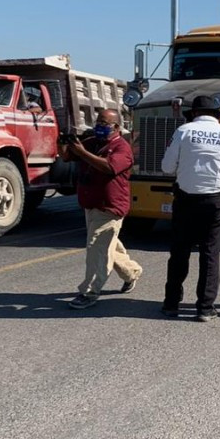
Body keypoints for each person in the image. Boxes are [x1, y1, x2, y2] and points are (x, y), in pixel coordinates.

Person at [160, 95, 220, 321]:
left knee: (179, 253)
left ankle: (171, 303)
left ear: (194, 113)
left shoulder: (183, 131)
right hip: (214, 201)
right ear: (217, 114)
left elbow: (166, 167)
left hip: (186, 200)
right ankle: (205, 307)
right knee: (210, 254)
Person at [61, 109, 142, 309]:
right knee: (107, 246)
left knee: (97, 248)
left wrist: (82, 152)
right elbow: (66, 157)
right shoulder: (91, 143)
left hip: (110, 207)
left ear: (116, 127)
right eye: (98, 121)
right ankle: (131, 272)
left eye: (104, 123)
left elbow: (108, 167)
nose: (99, 125)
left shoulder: (122, 148)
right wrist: (64, 142)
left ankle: (90, 291)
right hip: (90, 204)